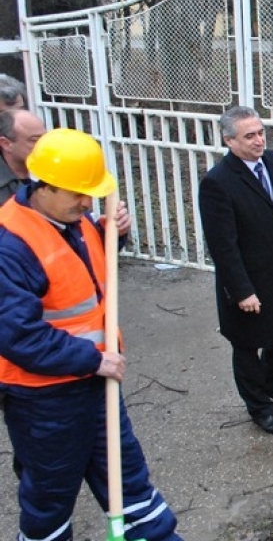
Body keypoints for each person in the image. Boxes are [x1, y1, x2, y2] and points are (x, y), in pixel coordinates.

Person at [0, 128, 182, 540]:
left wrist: (110, 237)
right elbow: (18, 335)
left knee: (130, 484)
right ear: (41, 185)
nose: (87, 203)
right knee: (49, 500)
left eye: (91, 193)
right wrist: (94, 358)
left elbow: (84, 280)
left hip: (96, 386)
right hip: (44, 401)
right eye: (77, 194)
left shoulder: (76, 222)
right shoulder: (10, 244)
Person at [198, 106, 273, 436]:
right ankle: (259, 407)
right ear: (229, 140)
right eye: (250, 136)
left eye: (261, 132)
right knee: (247, 346)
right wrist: (242, 290)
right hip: (247, 278)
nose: (259, 140)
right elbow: (223, 245)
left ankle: (271, 384)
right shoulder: (218, 183)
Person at [0, 109, 46, 202]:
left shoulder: (54, 171)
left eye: (45, 138)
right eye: (34, 140)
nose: (44, 145)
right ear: (6, 144)